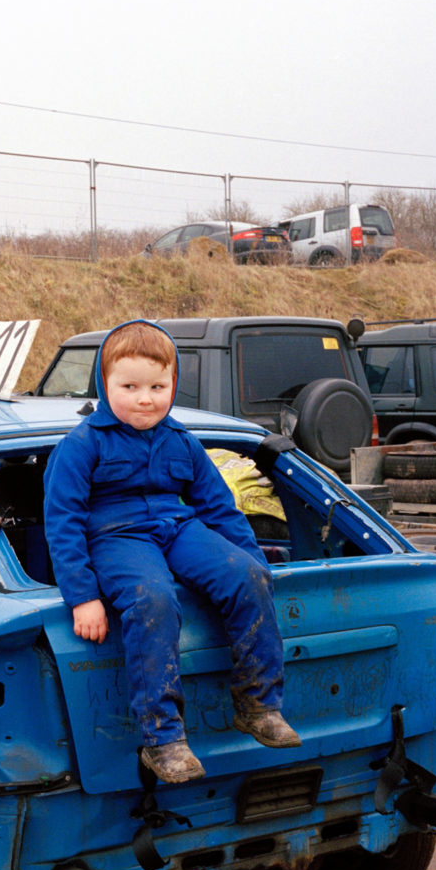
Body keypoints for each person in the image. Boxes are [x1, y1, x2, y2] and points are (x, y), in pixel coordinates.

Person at [43, 320, 300, 784]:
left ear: (173, 384)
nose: (146, 398)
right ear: (105, 385)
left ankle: (259, 704)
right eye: (130, 386)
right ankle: (162, 739)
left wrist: (255, 563)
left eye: (158, 387)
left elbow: (220, 509)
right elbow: (62, 523)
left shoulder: (182, 441)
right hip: (115, 536)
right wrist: (82, 596)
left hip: (175, 527)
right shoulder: (81, 445)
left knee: (246, 575)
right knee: (153, 597)